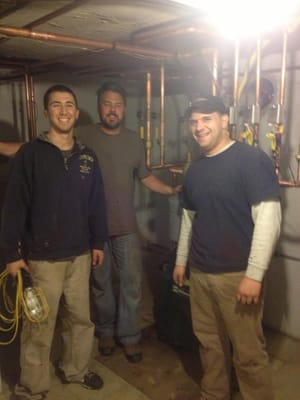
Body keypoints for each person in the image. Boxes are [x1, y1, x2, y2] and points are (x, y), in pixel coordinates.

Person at [0, 84, 108, 400]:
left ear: (76, 112)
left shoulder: (88, 156)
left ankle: (75, 370)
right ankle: (32, 387)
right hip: (41, 260)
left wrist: (98, 241)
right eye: (57, 105)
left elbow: (96, 203)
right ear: (46, 112)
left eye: (70, 105)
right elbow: (15, 206)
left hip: (79, 256)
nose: (64, 110)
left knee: (80, 320)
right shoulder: (30, 154)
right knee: (38, 326)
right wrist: (11, 253)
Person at [173, 96, 281, 400]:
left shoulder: (251, 160)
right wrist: (182, 261)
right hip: (201, 273)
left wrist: (255, 275)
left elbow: (268, 219)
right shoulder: (194, 170)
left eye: (207, 119)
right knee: (209, 345)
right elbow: (188, 219)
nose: (199, 127)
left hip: (237, 276)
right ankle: (214, 394)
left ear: (224, 120)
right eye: (194, 122)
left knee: (248, 353)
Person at [75, 81, 181, 363]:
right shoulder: (82, 135)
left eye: (118, 105)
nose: (112, 109)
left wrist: (171, 190)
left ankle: (130, 336)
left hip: (126, 228)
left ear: (124, 109)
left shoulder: (134, 140)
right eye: (107, 104)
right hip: (94, 230)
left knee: (131, 284)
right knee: (100, 284)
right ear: (100, 107)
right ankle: (106, 331)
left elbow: (145, 177)